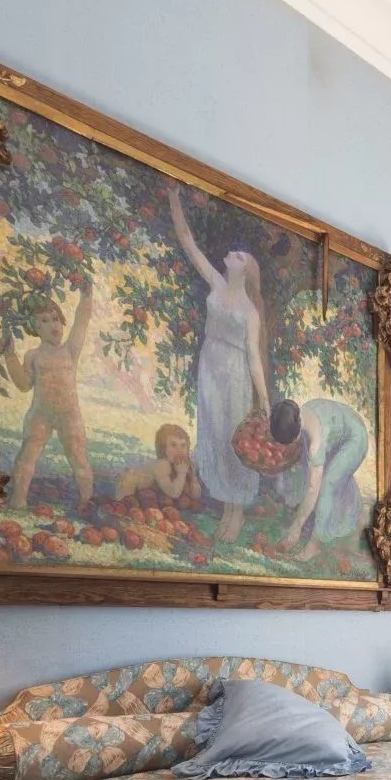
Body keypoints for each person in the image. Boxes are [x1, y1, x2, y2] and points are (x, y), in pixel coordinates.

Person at [168, 185, 271, 544]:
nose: (232, 254)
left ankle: (235, 512)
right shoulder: (215, 281)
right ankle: (226, 510)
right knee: (213, 433)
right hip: (210, 367)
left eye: (239, 256)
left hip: (235, 376)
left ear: (247, 270)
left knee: (233, 441)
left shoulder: (250, 311)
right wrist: (174, 199)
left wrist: (265, 400)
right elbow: (188, 242)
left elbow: (254, 359)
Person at [1, 273, 95, 510]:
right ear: (34, 327)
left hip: (69, 415)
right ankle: (18, 499)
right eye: (44, 321)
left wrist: (86, 296)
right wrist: (10, 355)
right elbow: (24, 385)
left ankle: (87, 501)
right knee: (27, 456)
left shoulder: (70, 350)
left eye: (55, 319)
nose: (53, 325)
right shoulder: (33, 356)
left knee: (79, 458)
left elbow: (82, 321)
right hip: (40, 414)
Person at [262, 397, 369, 561]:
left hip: (355, 438)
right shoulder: (299, 414)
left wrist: (297, 526)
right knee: (333, 474)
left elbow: (313, 489)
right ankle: (359, 517)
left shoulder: (316, 443)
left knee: (328, 484)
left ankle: (314, 545)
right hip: (340, 429)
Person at [115, 422, 202, 504]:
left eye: (183, 445)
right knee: (128, 507)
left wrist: (192, 477)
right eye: (173, 445)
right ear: (163, 448)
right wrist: (181, 474)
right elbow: (174, 493)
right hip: (128, 485)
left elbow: (196, 496)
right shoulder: (162, 465)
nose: (179, 450)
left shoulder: (181, 466)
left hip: (146, 494)